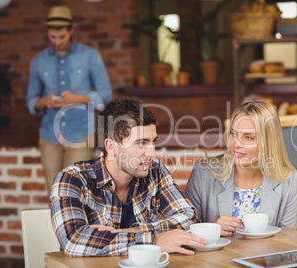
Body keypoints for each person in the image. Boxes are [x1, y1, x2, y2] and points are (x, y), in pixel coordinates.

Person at [50, 97, 207, 256]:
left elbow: (190, 218)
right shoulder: (72, 179)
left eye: (153, 142)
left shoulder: (155, 171)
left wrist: (134, 231)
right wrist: (153, 241)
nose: (152, 153)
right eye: (141, 143)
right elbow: (73, 241)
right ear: (111, 147)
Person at [26, 6, 112, 192]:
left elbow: (105, 95)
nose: (57, 42)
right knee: (54, 191)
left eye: (62, 37)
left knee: (76, 189)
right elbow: (31, 101)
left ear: (71, 30)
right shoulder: (38, 61)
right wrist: (44, 102)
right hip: (49, 134)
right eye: (52, 37)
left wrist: (77, 98)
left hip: (81, 132)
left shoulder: (90, 56)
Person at [185, 100, 297, 236]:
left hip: (265, 256)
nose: (236, 144)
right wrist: (211, 229)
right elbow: (184, 233)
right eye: (233, 134)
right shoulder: (203, 172)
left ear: (268, 142)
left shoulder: (287, 178)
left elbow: (286, 239)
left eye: (248, 137)